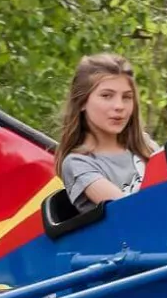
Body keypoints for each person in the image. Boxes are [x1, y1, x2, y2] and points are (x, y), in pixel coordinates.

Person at [54, 53, 161, 212]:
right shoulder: (78, 163)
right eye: (106, 96)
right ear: (82, 102)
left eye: (126, 97)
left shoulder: (146, 146)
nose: (119, 106)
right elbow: (128, 212)